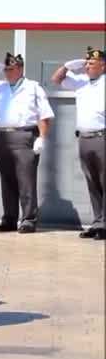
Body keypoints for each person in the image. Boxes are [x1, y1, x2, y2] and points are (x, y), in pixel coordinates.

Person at [0, 52, 54, 233]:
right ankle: (9, 219)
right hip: (2, 137)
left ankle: (28, 219)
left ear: (19, 68)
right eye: (5, 69)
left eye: (10, 69)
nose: (6, 72)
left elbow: (45, 115)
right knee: (7, 180)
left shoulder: (33, 87)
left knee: (26, 181)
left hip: (24, 136)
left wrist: (42, 137)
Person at [50, 47, 105, 240]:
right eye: (87, 62)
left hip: (102, 137)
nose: (87, 66)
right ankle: (98, 222)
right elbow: (55, 80)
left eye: (91, 63)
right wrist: (66, 66)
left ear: (103, 65)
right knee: (92, 182)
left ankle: (104, 225)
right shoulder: (81, 82)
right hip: (84, 137)